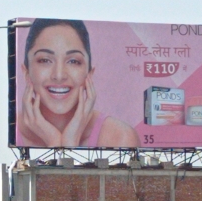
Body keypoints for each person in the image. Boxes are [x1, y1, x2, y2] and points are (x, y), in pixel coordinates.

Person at [18, 19, 139, 148]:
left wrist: (70, 142)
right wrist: (54, 140)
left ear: (89, 74)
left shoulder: (120, 136)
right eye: (45, 60)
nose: (59, 76)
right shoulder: (6, 130)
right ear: (26, 72)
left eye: (73, 61)